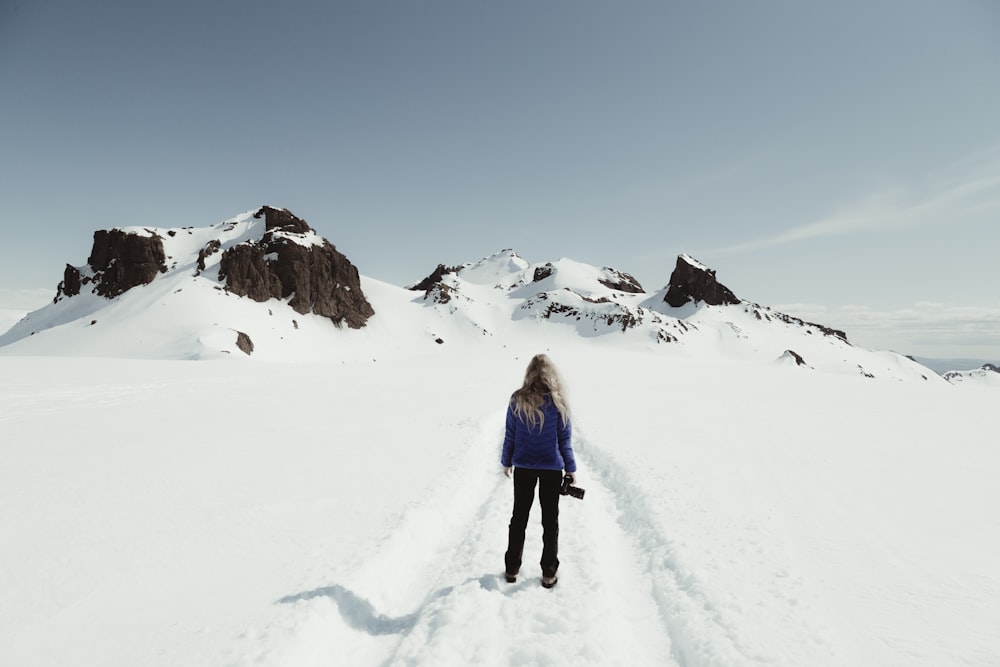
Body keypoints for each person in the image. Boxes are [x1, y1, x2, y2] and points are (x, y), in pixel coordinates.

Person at [500, 353, 577, 588]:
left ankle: (512, 569)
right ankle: (548, 573)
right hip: (551, 469)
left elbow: (510, 435)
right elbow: (565, 440)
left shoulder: (517, 399)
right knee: (550, 522)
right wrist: (570, 468)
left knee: (519, 518)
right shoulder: (558, 401)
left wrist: (506, 461)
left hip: (523, 467)